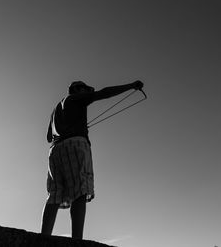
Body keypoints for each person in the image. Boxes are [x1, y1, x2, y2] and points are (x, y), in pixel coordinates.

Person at [41, 80, 144, 239]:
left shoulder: (55, 110)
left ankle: (43, 237)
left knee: (54, 194)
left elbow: (49, 137)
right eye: (87, 89)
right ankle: (77, 239)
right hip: (76, 144)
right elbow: (104, 92)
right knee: (80, 190)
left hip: (55, 151)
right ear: (77, 89)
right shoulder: (75, 98)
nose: (90, 91)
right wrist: (131, 86)